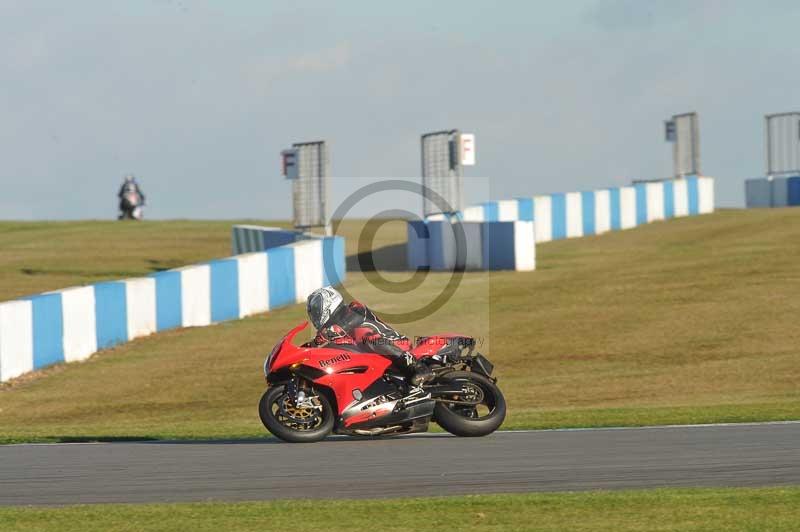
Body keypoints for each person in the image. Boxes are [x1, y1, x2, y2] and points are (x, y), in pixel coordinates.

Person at [305, 286, 433, 386]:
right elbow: (320, 346)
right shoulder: (331, 332)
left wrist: (325, 336)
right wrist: (305, 351)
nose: (315, 317)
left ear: (328, 304)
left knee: (365, 336)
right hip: (376, 362)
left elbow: (347, 323)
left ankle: (418, 367)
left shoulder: (354, 309)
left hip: (396, 344)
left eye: (316, 311)